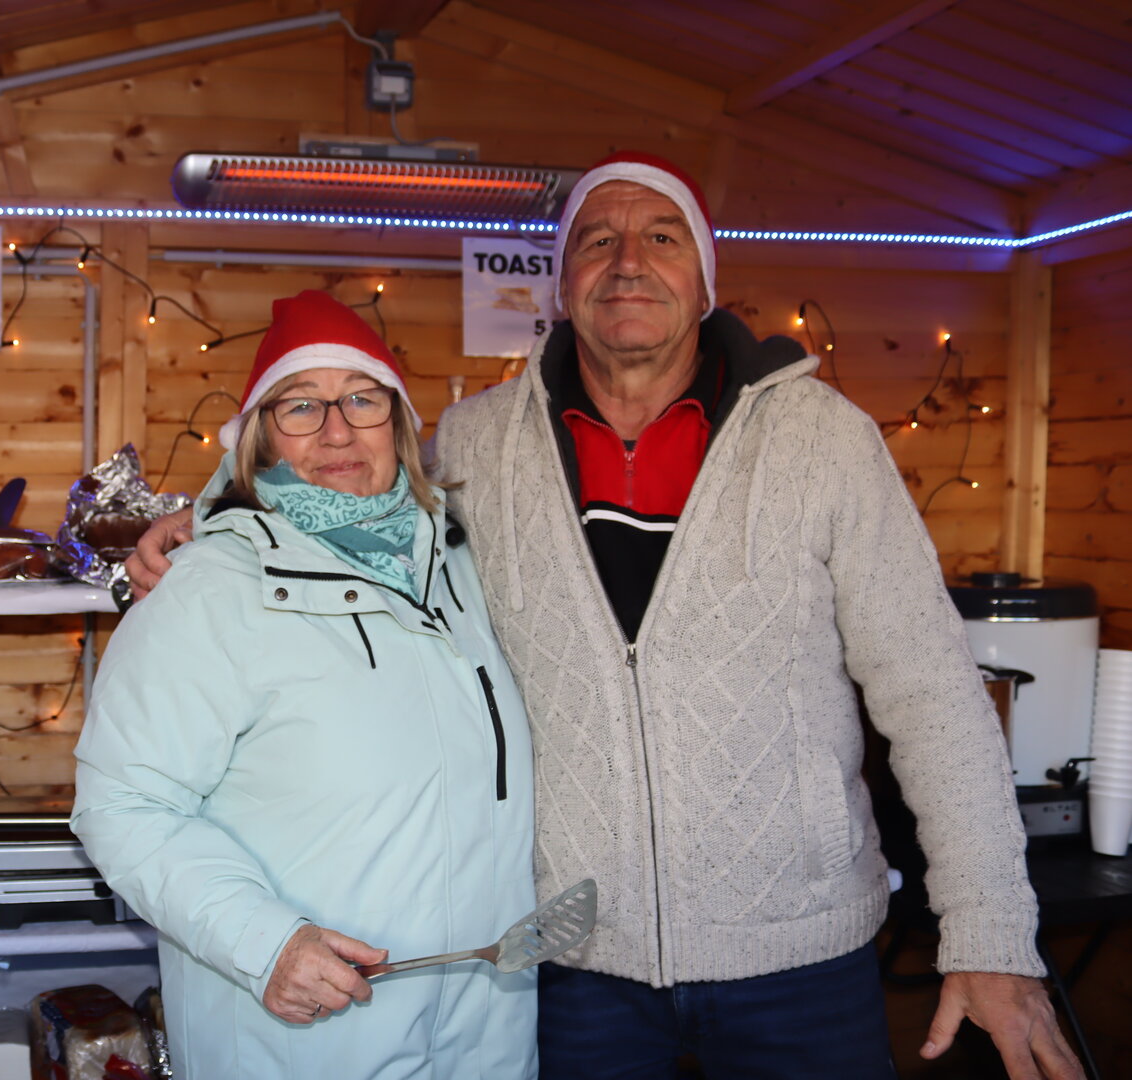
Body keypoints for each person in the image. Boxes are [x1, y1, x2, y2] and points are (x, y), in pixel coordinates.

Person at [125, 154, 1084, 1080]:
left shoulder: (824, 442)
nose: (628, 261)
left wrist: (990, 932)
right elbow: (344, 492)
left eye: (662, 237)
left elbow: (932, 695)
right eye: (597, 240)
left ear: (704, 282)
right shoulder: (478, 445)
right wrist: (214, 519)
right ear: (561, 283)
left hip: (799, 959)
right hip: (574, 968)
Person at [72, 290, 538, 1080]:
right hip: (308, 1042)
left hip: (484, 1033)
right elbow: (122, 803)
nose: (336, 430)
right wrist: (265, 944)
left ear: (398, 424)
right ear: (260, 437)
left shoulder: (462, 563)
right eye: (300, 406)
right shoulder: (208, 591)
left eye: (362, 399)